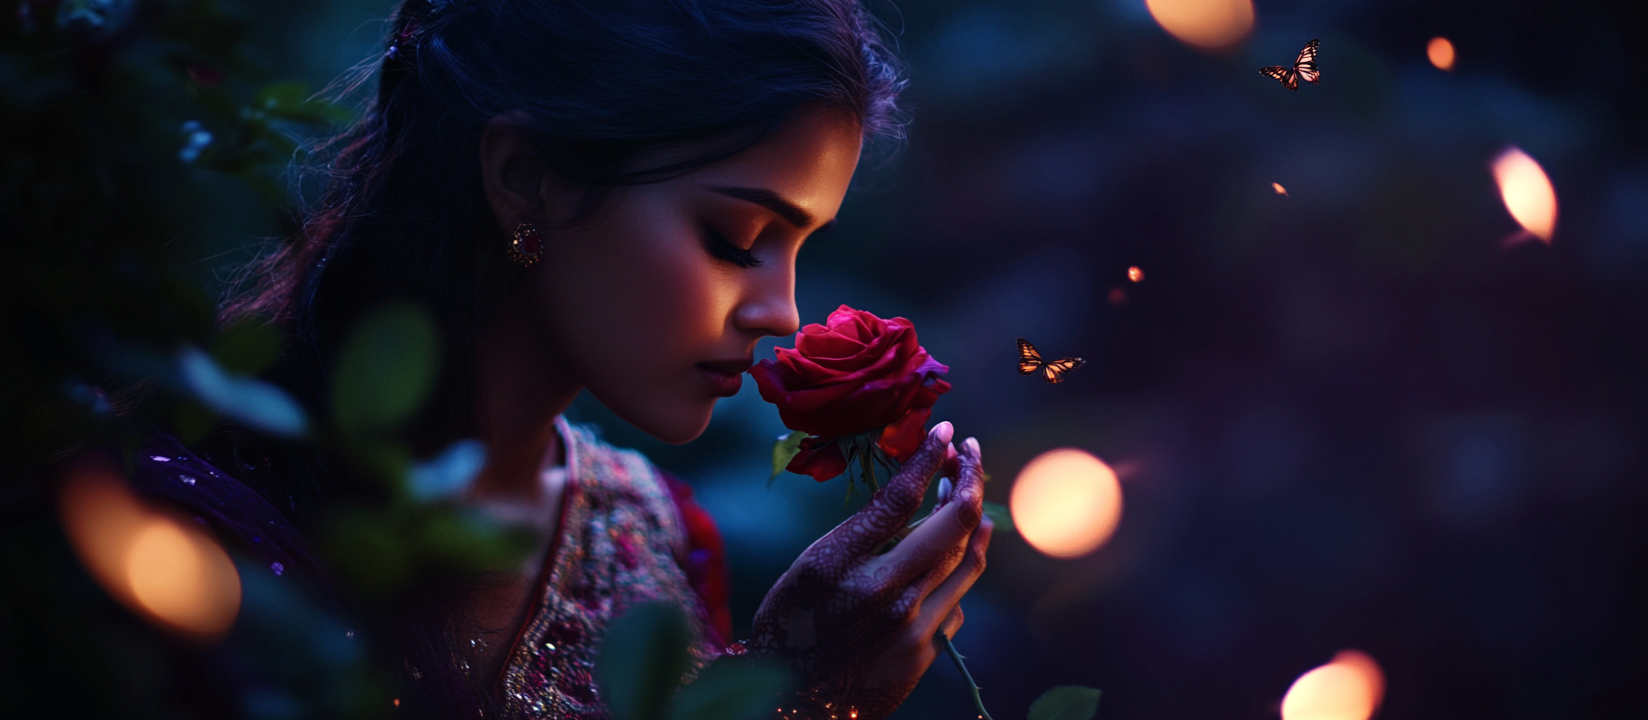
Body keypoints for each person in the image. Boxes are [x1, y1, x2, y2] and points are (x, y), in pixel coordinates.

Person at [187, 0, 993, 717]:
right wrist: (798, 697)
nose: (781, 311)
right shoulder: (199, 534)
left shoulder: (661, 537)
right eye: (734, 239)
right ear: (526, 179)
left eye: (802, 245)